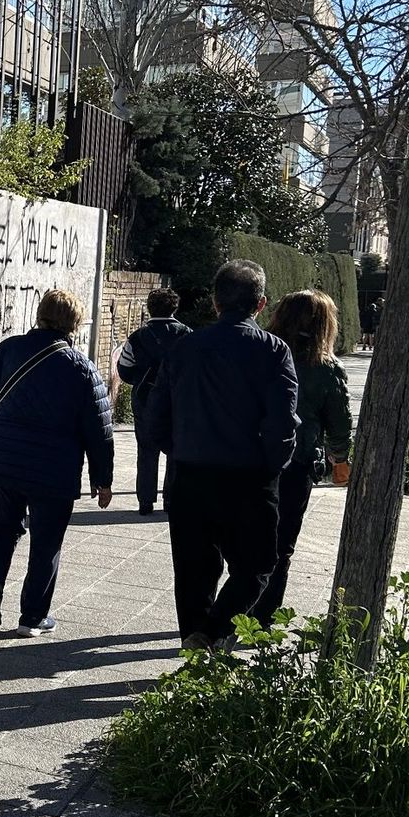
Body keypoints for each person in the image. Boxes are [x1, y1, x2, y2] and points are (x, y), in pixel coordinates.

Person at [144, 260, 299, 650]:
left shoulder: (184, 348)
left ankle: (197, 638)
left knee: (194, 569)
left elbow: (154, 418)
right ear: (261, 304)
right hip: (248, 476)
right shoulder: (273, 351)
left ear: (215, 302)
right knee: (259, 564)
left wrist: (180, 450)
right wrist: (271, 465)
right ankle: (212, 632)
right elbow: (283, 422)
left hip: (190, 473)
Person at [0, 289, 115, 638]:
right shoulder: (82, 368)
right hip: (53, 472)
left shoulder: (8, 350)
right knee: (46, 541)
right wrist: (103, 479)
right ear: (74, 324)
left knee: (1, 528)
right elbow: (98, 430)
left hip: (1, 462)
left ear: (39, 315)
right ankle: (32, 618)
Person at [250, 290, 352, 626]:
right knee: (282, 544)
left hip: (251, 456)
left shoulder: (260, 353)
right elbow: (339, 423)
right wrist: (340, 460)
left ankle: (239, 601)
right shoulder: (326, 368)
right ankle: (263, 615)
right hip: (298, 461)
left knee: (246, 536)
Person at [116, 287, 192, 514]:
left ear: (149, 309)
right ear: (175, 308)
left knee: (146, 450)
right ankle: (170, 499)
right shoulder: (187, 335)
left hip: (145, 397)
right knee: (175, 449)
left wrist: (140, 382)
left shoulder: (137, 337)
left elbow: (124, 369)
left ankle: (145, 501)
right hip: (177, 400)